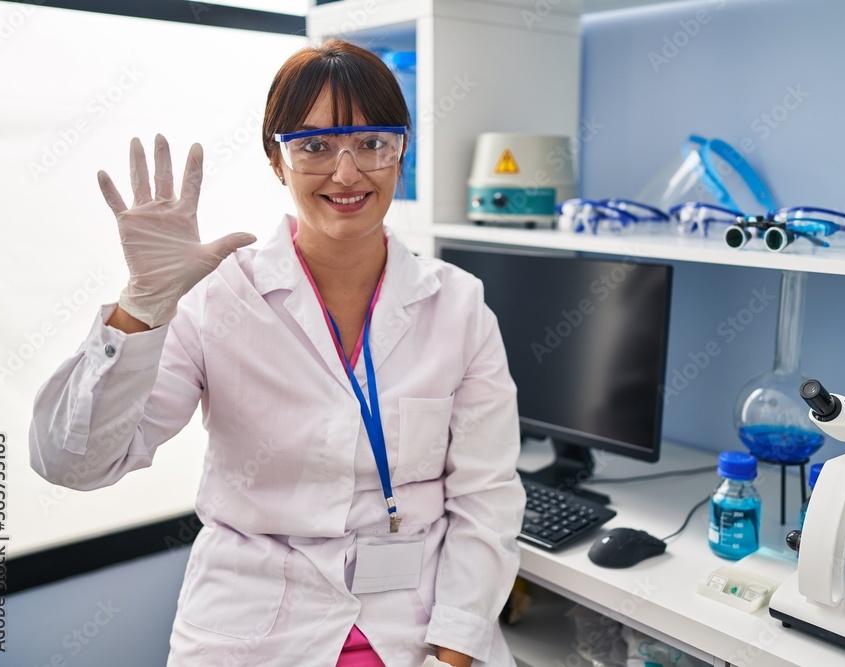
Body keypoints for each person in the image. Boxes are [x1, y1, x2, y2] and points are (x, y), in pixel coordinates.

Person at [29, 39, 525, 667]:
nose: (346, 173)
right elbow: (75, 464)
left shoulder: (457, 305)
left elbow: (487, 499)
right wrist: (142, 306)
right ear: (276, 160)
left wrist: (451, 655)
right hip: (254, 626)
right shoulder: (219, 297)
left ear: (401, 149)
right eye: (314, 146)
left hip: (415, 622)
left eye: (372, 142)